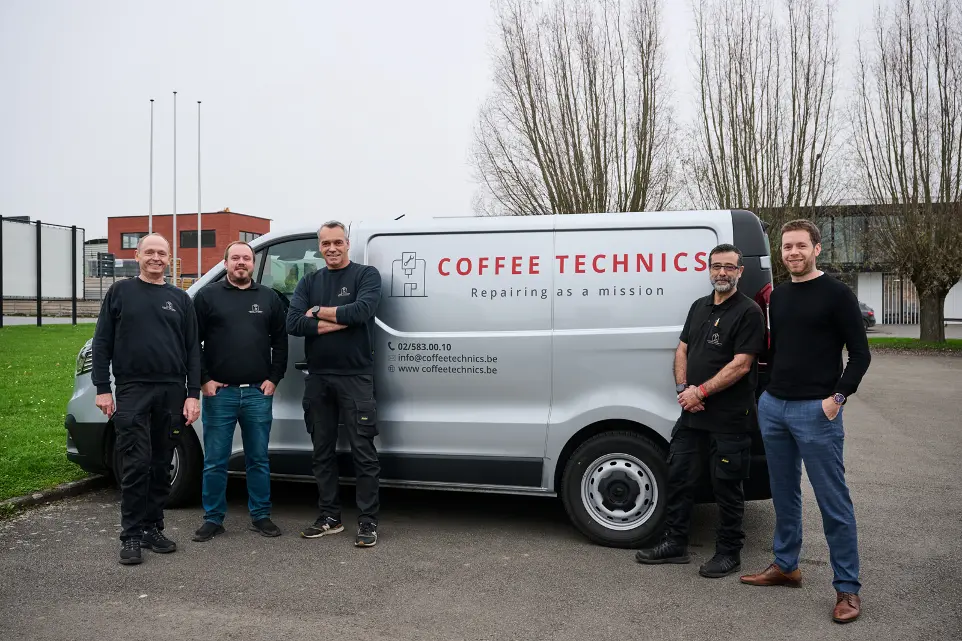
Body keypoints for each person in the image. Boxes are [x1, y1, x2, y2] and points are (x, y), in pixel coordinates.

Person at [740, 219, 871, 625]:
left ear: (816, 248)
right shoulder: (778, 297)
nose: (793, 252)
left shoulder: (837, 294)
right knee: (783, 493)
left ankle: (847, 588)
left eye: (800, 245)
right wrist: (765, 397)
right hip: (775, 408)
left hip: (817, 410)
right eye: (787, 247)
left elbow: (860, 354)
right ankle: (786, 566)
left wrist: (837, 398)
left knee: (833, 501)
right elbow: (779, 350)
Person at [635, 243, 766, 578]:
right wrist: (684, 390)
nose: (722, 272)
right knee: (679, 477)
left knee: (727, 488)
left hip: (729, 418)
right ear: (709, 270)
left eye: (729, 267)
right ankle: (675, 544)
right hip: (693, 414)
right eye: (716, 266)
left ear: (740, 271)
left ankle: (728, 553)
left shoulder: (749, 312)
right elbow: (682, 349)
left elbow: (742, 364)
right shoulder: (699, 307)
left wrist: (701, 391)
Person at [91, 232, 201, 565]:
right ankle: (131, 535)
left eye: (162, 253)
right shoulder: (120, 292)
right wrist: (101, 388)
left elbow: (192, 350)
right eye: (149, 252)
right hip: (133, 389)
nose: (156, 258)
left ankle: (153, 528)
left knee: (161, 464)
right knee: (136, 463)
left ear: (170, 259)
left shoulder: (180, 299)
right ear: (137, 256)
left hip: (171, 391)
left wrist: (192, 395)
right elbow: (102, 341)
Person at [286, 220, 383, 547]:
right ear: (319, 246)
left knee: (363, 452)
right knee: (322, 452)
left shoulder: (366, 275)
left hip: (356, 378)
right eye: (325, 243)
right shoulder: (309, 281)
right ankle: (330, 517)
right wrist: (340, 320)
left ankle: (368, 521)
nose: (331, 248)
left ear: (347, 243)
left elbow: (362, 311)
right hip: (318, 378)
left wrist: (317, 311)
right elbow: (293, 323)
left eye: (337, 242)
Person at [191, 240, 289, 542]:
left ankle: (261, 516)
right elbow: (192, 343)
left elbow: (280, 342)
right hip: (220, 394)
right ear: (225, 264)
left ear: (253, 264)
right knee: (215, 461)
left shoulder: (269, 298)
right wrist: (204, 380)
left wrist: (274, 378)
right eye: (235, 258)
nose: (241, 263)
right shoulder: (207, 297)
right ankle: (213, 519)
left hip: (258, 393)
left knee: (258, 459)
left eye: (246, 258)